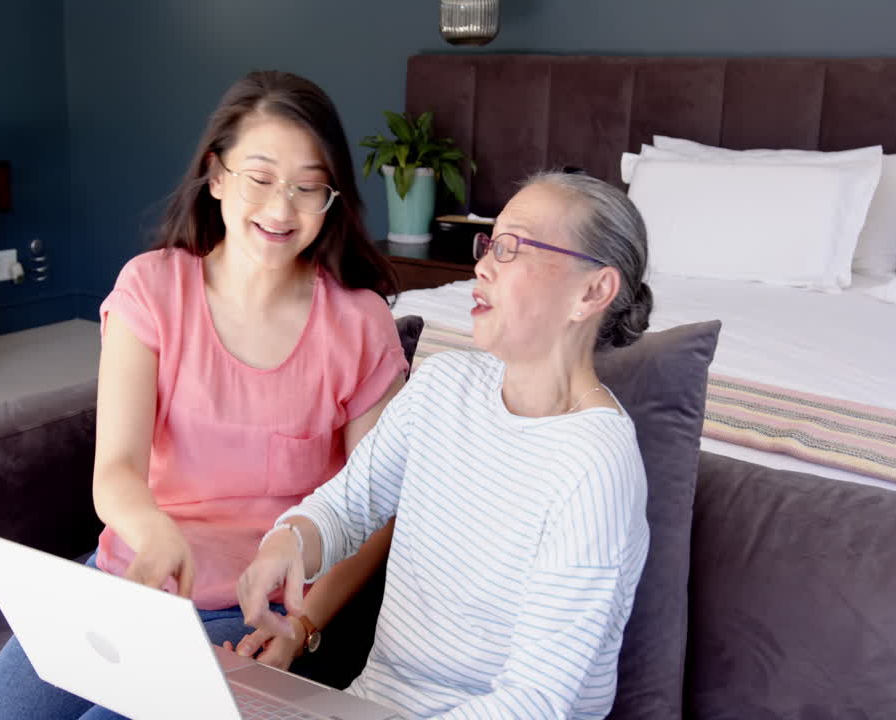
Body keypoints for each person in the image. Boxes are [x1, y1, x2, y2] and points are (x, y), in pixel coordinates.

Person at [0, 70, 409, 720]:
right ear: (217, 175)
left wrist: (304, 625)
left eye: (308, 187)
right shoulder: (152, 289)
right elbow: (115, 470)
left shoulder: (359, 324)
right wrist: (151, 530)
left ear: (332, 197)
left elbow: (375, 513)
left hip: (253, 613)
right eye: (260, 178)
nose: (282, 209)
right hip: (126, 582)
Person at [237, 171, 654, 718]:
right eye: (489, 243)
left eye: (512, 247)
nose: (481, 265)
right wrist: (288, 543)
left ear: (593, 291)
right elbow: (346, 505)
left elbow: (535, 702)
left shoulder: (595, 461)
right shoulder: (443, 385)